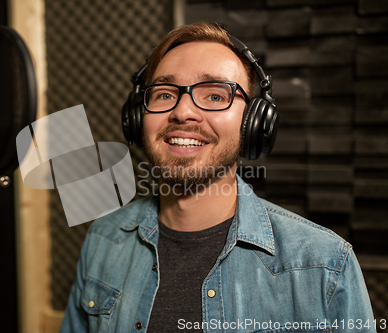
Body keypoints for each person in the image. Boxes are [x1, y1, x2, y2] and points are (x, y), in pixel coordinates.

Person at [60, 22, 375, 332]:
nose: (183, 111)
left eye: (214, 96)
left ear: (253, 123)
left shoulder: (325, 265)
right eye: (164, 94)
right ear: (136, 119)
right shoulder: (104, 239)